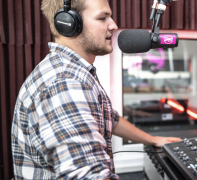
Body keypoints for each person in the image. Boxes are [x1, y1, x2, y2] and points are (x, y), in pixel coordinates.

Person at [11, 0, 181, 179]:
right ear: (68, 23)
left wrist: (153, 140)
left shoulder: (74, 70)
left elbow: (110, 117)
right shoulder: (65, 84)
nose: (114, 25)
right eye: (102, 18)